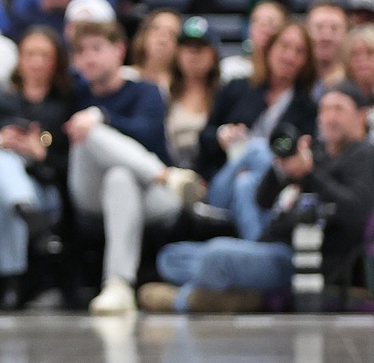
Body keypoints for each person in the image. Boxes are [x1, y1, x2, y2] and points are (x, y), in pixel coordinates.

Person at [144, 86, 374, 313]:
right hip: (270, 246)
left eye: (338, 109)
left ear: (362, 115)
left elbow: (355, 214)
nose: (329, 117)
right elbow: (263, 200)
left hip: (304, 261)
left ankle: (194, 295)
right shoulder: (316, 152)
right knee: (170, 256)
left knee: (217, 256)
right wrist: (282, 168)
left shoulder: (365, 156)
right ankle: (222, 289)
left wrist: (308, 175)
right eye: (324, 109)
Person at [65, 20, 199, 316]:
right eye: (81, 51)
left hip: (151, 194)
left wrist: (104, 117)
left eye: (97, 49)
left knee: (120, 177)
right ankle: (168, 176)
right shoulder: (75, 95)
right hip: (92, 190)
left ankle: (118, 285)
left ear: (119, 50)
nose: (89, 58)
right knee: (88, 127)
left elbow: (147, 134)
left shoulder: (147, 92)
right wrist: (97, 117)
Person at [0, 27, 73, 309]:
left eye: (45, 55)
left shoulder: (65, 107)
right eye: (30, 54)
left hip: (39, 186)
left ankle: (10, 282)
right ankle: (25, 210)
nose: (37, 62)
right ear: (19, 60)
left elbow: (70, 168)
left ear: (56, 62)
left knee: (4, 199)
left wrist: (41, 154)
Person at [196, 18, 318, 239]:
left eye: (299, 51)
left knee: (247, 182)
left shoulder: (308, 108)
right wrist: (222, 135)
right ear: (269, 49)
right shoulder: (237, 88)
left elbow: (306, 158)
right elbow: (204, 137)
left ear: (306, 61)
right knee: (255, 150)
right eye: (284, 46)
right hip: (223, 184)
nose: (289, 56)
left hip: (274, 194)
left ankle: (254, 247)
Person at [166, 17, 222, 169]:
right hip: (171, 170)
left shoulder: (225, 95)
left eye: (200, 47)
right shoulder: (163, 93)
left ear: (213, 54)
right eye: (187, 46)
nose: (193, 54)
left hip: (211, 169)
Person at [307, 1, 349, 91]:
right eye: (319, 27)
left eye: (334, 28)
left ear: (346, 34)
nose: (326, 37)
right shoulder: (294, 80)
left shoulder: (356, 82)